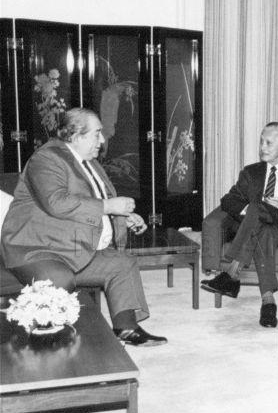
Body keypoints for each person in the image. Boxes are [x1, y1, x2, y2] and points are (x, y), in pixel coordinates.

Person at [1, 108, 166, 346]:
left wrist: (122, 215)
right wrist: (109, 206)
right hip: (36, 249)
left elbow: (95, 202)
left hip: (68, 246)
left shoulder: (89, 163)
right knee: (59, 279)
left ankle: (127, 328)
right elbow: (57, 203)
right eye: (97, 133)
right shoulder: (46, 159)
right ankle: (49, 338)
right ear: (75, 135)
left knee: (122, 264)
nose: (102, 139)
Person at [201, 122, 278, 327]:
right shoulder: (251, 172)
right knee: (264, 229)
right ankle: (268, 302)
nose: (262, 147)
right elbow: (228, 200)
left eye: (269, 143)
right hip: (261, 230)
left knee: (259, 208)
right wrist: (252, 213)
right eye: (261, 142)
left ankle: (232, 273)